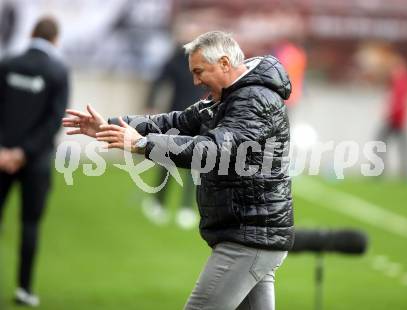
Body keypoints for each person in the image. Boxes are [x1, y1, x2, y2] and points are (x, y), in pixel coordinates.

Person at [63, 31, 293, 309]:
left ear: (223, 63)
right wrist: (112, 125)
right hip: (252, 234)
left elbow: (213, 149)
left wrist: (143, 145)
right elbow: (178, 121)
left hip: (248, 236)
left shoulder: (253, 99)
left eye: (199, 71)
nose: (195, 81)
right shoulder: (231, 95)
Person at [0, 16, 69, 307]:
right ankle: (24, 289)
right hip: (36, 161)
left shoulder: (8, 63)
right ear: (55, 40)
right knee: (30, 224)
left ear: (31, 34)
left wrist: (5, 150)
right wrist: (25, 153)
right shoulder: (58, 71)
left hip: (0, 157)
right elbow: (55, 121)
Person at [142, 44, 205, 229]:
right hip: (176, 117)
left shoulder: (204, 63)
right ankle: (158, 202)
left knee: (195, 162)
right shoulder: (176, 61)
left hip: (199, 117)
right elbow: (159, 81)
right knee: (168, 160)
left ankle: (185, 207)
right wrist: (151, 105)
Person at [377, 51, 407, 178]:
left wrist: (390, 113)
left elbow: (399, 101)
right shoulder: (400, 80)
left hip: (396, 119)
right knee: (401, 146)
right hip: (397, 119)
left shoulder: (401, 80)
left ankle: (377, 171)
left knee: (380, 143)